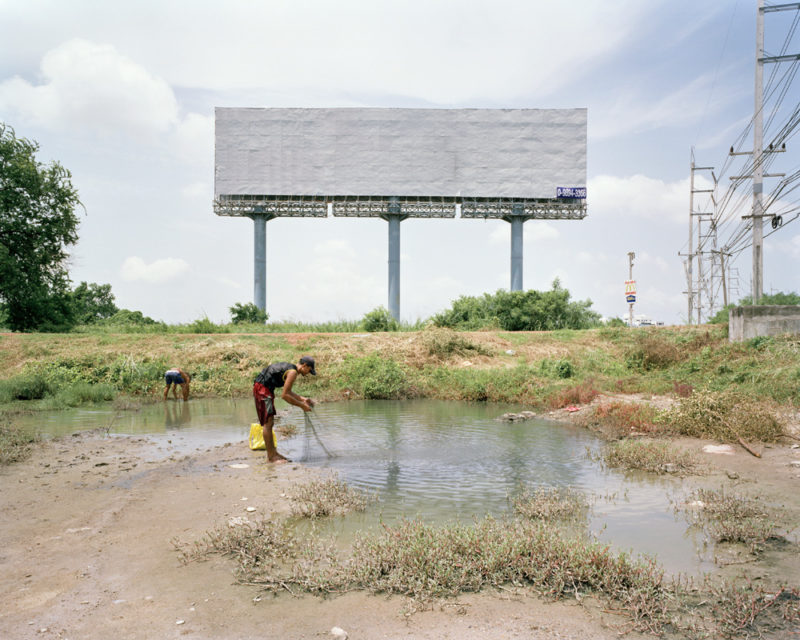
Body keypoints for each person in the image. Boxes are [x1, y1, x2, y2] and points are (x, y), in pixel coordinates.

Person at [253, 356, 316, 462]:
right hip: (262, 389)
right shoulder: (293, 373)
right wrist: (302, 405)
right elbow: (285, 395)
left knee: (269, 422)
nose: (308, 373)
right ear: (304, 366)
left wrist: (303, 399)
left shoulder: (291, 369)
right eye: (309, 370)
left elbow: (289, 392)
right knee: (268, 423)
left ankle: (273, 453)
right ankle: (272, 456)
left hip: (264, 388)